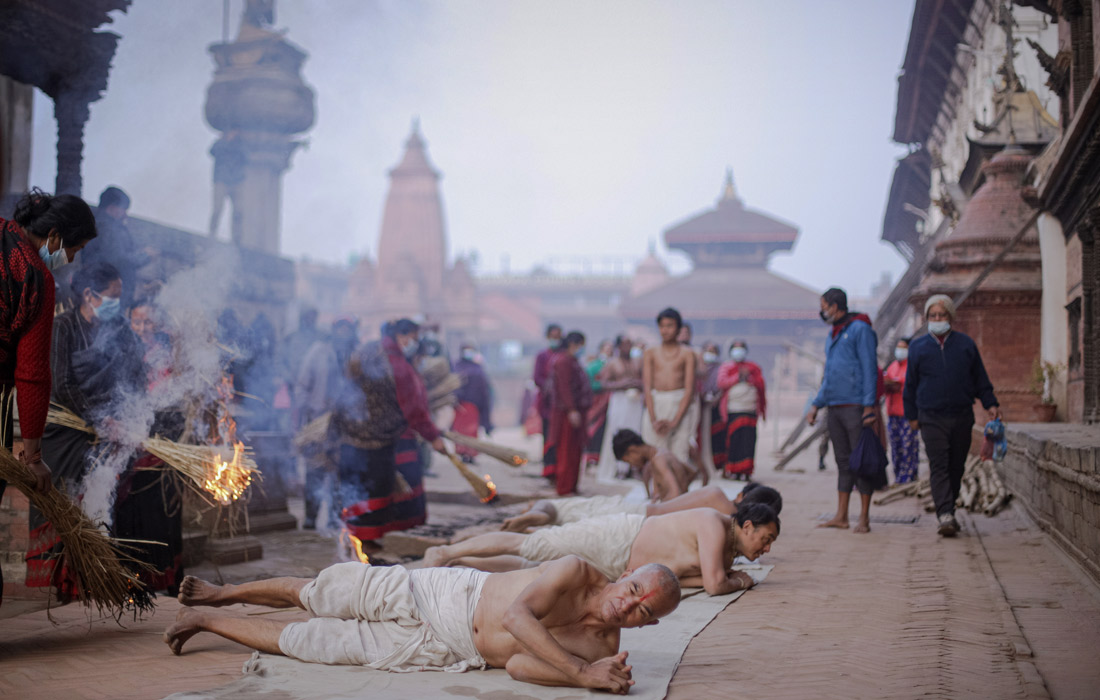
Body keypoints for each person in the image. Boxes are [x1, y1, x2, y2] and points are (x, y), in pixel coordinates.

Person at [165, 557, 680, 693]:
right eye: (633, 591)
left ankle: (208, 618)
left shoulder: (602, 646)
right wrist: (580, 671)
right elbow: (515, 617)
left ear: (647, 625)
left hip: (448, 650)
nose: (627, 606)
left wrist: (582, 674)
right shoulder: (575, 570)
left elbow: (522, 665)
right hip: (443, 593)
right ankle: (225, 591)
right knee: (326, 592)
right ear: (627, 576)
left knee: (315, 643)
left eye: (642, 611)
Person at [30, 262, 173, 594]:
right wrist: (99, 419)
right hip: (70, 428)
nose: (117, 304)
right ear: (89, 295)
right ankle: (74, 582)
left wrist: (132, 417)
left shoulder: (121, 329)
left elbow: (136, 375)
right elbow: (62, 384)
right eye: (112, 296)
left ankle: (120, 571)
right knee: (77, 495)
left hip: (114, 423)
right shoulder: (62, 327)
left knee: (130, 484)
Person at [0, 189, 96, 605]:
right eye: (74, 248)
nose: (72, 258)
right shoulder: (36, 278)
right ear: (53, 236)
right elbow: (33, 375)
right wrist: (33, 457)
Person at [425, 503, 779, 597]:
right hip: (617, 538)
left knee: (530, 565)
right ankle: (442, 553)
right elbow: (715, 585)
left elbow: (693, 580)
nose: (765, 547)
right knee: (531, 543)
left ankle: (455, 562)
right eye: (765, 538)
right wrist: (740, 582)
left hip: (621, 567)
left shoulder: (727, 552)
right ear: (747, 526)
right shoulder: (713, 523)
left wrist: (725, 576)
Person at [330, 318, 446, 545]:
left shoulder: (370, 350)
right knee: (372, 491)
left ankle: (355, 539)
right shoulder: (397, 365)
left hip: (349, 432)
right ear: (400, 336)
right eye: (411, 338)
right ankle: (364, 541)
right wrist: (433, 437)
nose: (413, 343)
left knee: (356, 488)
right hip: (376, 439)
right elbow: (413, 409)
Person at [904, 295, 1001, 537]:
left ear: (950, 317)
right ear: (927, 319)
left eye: (942, 315)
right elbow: (910, 386)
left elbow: (980, 378)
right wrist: (912, 416)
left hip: (960, 415)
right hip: (930, 416)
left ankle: (949, 508)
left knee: (956, 466)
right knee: (939, 465)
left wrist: (990, 403)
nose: (937, 320)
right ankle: (944, 514)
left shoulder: (966, 345)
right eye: (933, 316)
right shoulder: (917, 348)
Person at [807, 287, 879, 534]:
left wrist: (869, 405)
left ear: (836, 306)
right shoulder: (833, 334)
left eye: (824, 305)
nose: (823, 311)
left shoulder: (860, 330)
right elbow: (829, 375)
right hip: (834, 405)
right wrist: (817, 404)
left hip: (856, 406)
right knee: (842, 461)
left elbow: (870, 368)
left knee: (860, 461)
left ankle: (864, 518)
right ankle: (841, 515)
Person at [500, 481, 784, 532]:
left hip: (644, 511)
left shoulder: (717, 494)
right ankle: (533, 519)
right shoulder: (728, 519)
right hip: (643, 521)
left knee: (579, 512)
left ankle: (534, 515)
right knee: (575, 522)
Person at [295, 317, 358, 529]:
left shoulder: (355, 355)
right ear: (333, 330)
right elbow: (302, 385)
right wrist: (307, 412)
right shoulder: (318, 351)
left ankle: (335, 518)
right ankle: (311, 518)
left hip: (343, 425)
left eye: (347, 329)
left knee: (338, 473)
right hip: (318, 421)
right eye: (340, 327)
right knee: (315, 470)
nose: (343, 332)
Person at [642, 308, 698, 465]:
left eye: (670, 326)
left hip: (679, 404)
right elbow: (647, 387)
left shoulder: (687, 354)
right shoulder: (650, 353)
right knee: (656, 455)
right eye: (662, 326)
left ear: (679, 328)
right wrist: (654, 419)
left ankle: (678, 489)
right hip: (656, 404)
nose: (665, 330)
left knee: (679, 454)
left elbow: (689, 389)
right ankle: (659, 490)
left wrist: (675, 421)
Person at [81, 186, 148, 308]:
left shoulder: (99, 225)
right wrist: (145, 255)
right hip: (107, 295)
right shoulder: (106, 228)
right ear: (112, 208)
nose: (125, 215)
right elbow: (118, 259)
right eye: (123, 209)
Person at [713, 341, 767, 481]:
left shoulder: (753, 367)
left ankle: (746, 471)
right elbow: (722, 383)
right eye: (736, 349)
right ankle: (733, 470)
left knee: (748, 441)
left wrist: (749, 376)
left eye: (741, 349)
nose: (738, 352)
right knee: (733, 440)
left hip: (750, 409)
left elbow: (761, 385)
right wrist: (738, 377)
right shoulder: (726, 367)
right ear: (731, 351)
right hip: (733, 409)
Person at [594, 336, 644, 483]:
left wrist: (636, 384)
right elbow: (603, 384)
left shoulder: (637, 362)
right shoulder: (612, 364)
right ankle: (618, 468)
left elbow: (645, 380)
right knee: (617, 431)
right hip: (620, 401)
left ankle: (634, 467)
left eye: (630, 344)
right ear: (618, 347)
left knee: (635, 431)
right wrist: (621, 384)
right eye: (624, 344)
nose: (627, 347)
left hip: (635, 401)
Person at [547, 331, 592, 496]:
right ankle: (564, 487)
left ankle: (572, 486)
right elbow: (564, 388)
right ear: (574, 344)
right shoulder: (563, 362)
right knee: (566, 451)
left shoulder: (573, 361)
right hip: (567, 414)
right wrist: (571, 410)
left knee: (575, 450)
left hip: (577, 411)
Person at [611, 429, 704, 502]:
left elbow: (675, 493)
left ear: (632, 450)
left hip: (675, 513)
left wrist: (659, 506)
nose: (632, 466)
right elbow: (692, 472)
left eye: (628, 461)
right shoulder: (663, 453)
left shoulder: (658, 460)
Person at [884, 337, 919, 484]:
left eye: (903, 347)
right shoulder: (892, 366)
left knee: (909, 447)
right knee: (896, 448)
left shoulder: (913, 367)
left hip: (907, 414)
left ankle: (909, 477)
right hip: (892, 415)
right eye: (899, 347)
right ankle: (898, 476)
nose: (900, 350)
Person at [452, 343, 494, 462]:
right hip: (460, 406)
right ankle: (462, 452)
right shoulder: (456, 367)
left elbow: (484, 390)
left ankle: (470, 453)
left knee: (471, 430)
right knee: (461, 431)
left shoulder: (478, 368)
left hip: (474, 406)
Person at [532, 323, 563, 478]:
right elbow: (537, 377)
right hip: (547, 404)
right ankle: (548, 467)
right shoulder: (542, 356)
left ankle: (559, 466)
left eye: (558, 337)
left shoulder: (563, 355)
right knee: (548, 434)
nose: (555, 340)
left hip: (562, 404)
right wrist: (549, 388)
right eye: (553, 337)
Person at [583, 340, 614, 469]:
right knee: (594, 429)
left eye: (611, 348)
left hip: (610, 403)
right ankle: (590, 457)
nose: (609, 351)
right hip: (597, 402)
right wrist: (604, 386)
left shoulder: (614, 364)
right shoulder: (594, 366)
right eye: (607, 348)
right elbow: (589, 383)